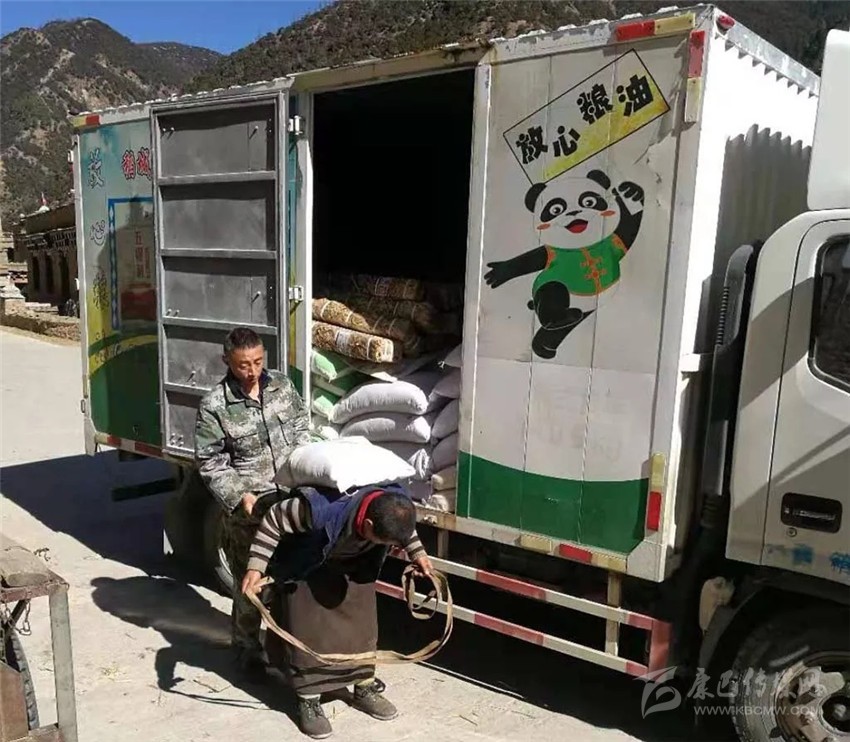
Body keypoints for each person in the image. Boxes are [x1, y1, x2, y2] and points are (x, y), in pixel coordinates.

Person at [242, 484, 433, 739]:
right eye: (384, 541)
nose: (389, 545)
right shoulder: (317, 509)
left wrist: (417, 553)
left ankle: (363, 686)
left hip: (355, 564)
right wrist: (256, 567)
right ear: (368, 524)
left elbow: (403, 528)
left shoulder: (392, 503)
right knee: (308, 632)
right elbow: (274, 518)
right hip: (308, 562)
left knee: (363, 628)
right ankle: (308, 699)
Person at [195, 327, 311, 681]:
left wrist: (306, 470)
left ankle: (289, 649)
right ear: (227, 361)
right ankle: (247, 650)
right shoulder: (215, 405)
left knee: (292, 580)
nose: (252, 371)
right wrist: (239, 495)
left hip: (290, 503)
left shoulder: (282, 387)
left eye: (258, 362)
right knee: (251, 587)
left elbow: (302, 425)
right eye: (243, 365)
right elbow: (210, 462)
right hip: (251, 511)